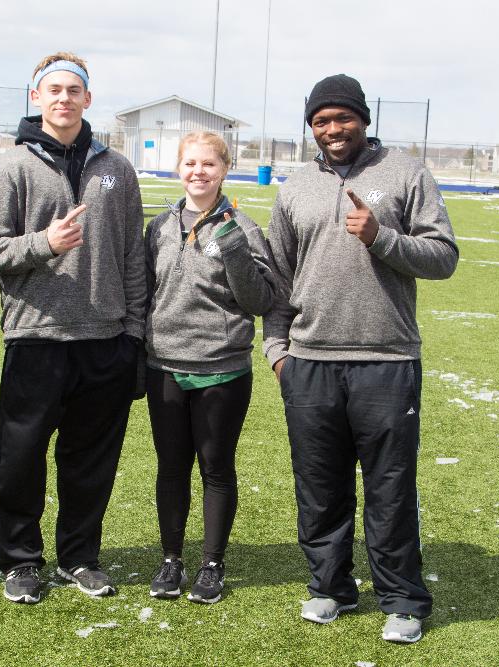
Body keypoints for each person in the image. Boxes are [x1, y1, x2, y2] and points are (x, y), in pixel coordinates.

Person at [263, 74, 458, 643]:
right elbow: (276, 276)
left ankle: (402, 599)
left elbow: (443, 257)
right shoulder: (296, 186)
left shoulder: (405, 173)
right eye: (320, 122)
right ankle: (330, 588)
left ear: (363, 119)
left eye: (341, 118)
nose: (331, 130)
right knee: (319, 485)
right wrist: (278, 350)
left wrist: (382, 238)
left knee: (390, 486)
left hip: (386, 360)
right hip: (310, 362)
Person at [0, 52, 146, 604]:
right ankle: (21, 562)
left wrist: (135, 335)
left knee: (90, 463)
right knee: (20, 460)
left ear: (88, 100)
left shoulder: (117, 170)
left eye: (74, 90)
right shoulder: (12, 167)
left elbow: (132, 258)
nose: (64, 99)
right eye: (54, 90)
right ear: (36, 98)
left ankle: (80, 557)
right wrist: (44, 244)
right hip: (37, 338)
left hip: (104, 341)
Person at [143, 131, 276, 604]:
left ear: (225, 169)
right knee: (171, 467)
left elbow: (261, 299)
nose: (198, 172)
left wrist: (233, 247)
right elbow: (145, 293)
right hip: (164, 367)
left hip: (221, 368)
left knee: (216, 467)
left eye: (209, 165)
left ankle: (212, 565)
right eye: (190, 164)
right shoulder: (158, 226)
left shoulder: (244, 226)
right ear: (178, 169)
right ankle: (171, 559)